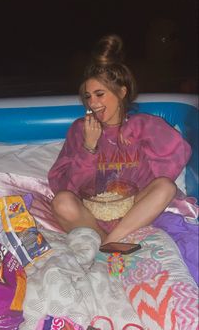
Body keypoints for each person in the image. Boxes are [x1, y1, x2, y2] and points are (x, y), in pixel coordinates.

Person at [48, 34, 191, 246]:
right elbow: (68, 186)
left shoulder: (144, 126)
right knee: (61, 202)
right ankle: (109, 243)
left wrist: (145, 166)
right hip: (90, 215)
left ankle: (108, 244)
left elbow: (178, 154)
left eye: (99, 94)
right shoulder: (81, 129)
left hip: (133, 211)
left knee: (165, 187)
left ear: (121, 92)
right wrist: (89, 147)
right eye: (88, 96)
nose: (93, 103)